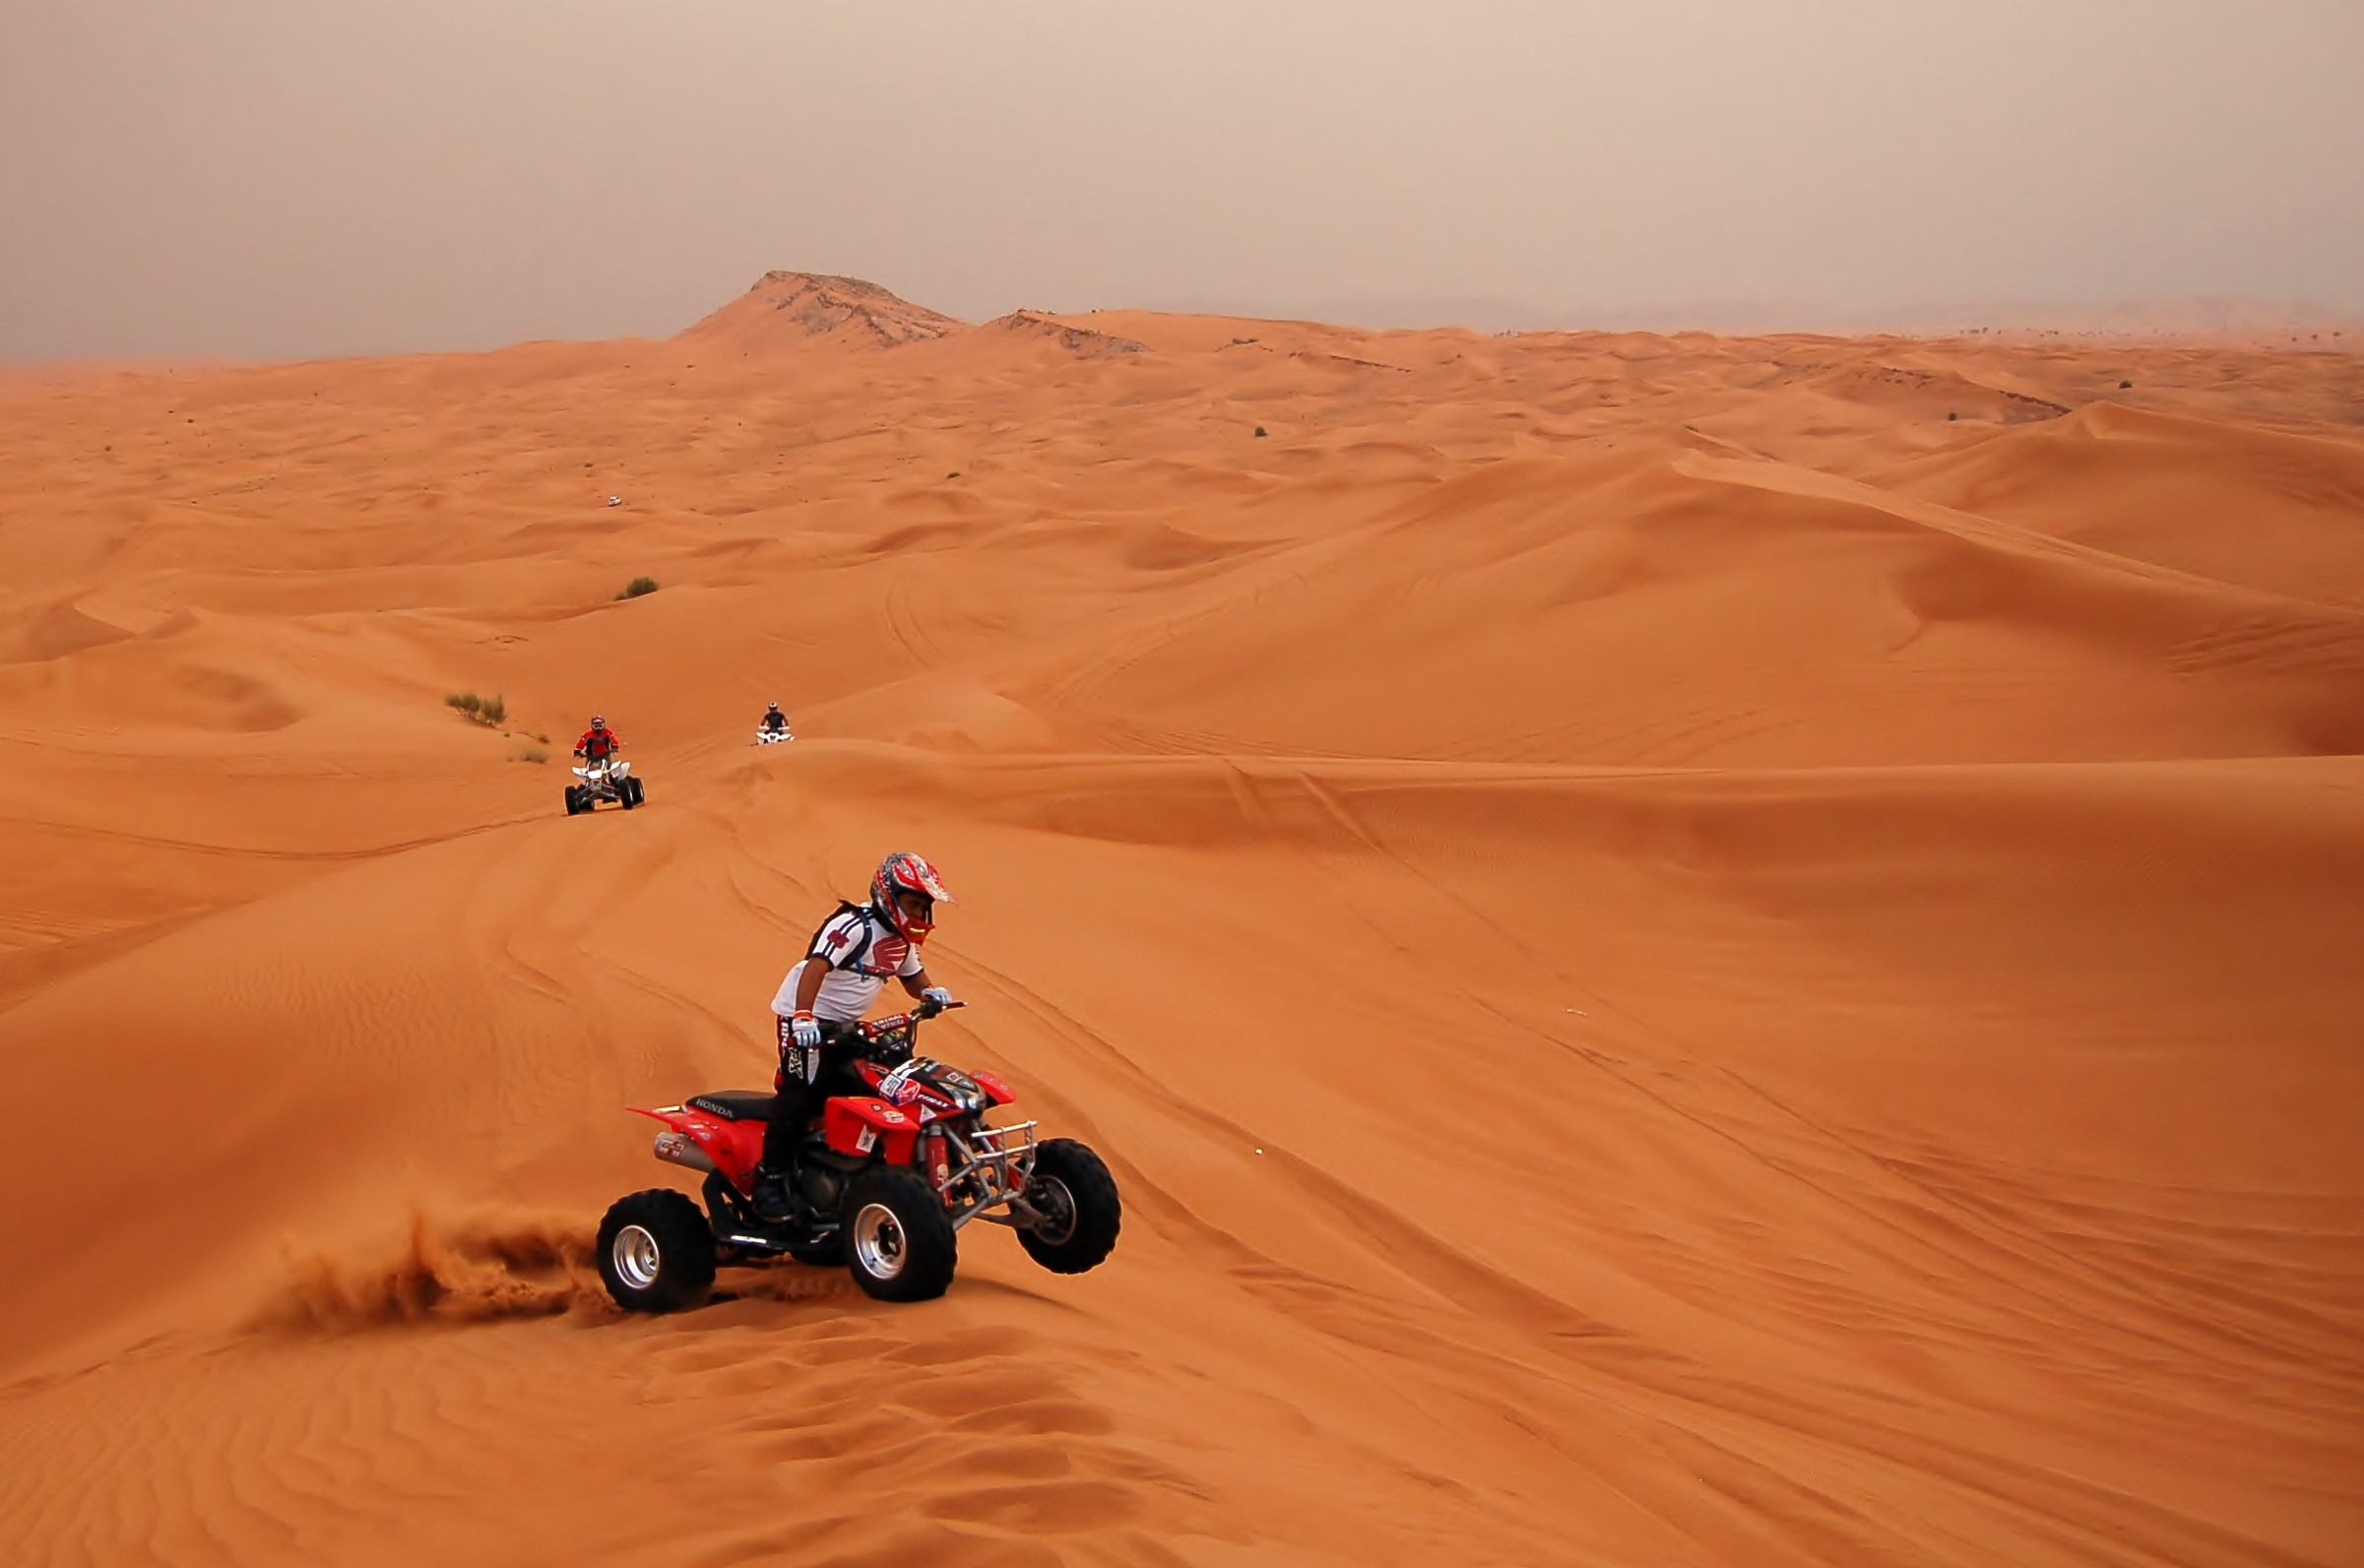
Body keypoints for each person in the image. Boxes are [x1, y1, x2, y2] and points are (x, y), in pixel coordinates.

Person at [752, 852, 957, 1221]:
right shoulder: (854, 926)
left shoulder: (901, 941)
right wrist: (803, 1018)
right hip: (805, 1020)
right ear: (889, 895)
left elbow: (912, 976)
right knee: (801, 1092)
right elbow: (816, 967)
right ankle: (771, 1179)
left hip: (847, 1027)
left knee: (886, 1077)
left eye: (923, 907)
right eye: (913, 904)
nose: (919, 914)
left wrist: (929, 991)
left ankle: (865, 1165)